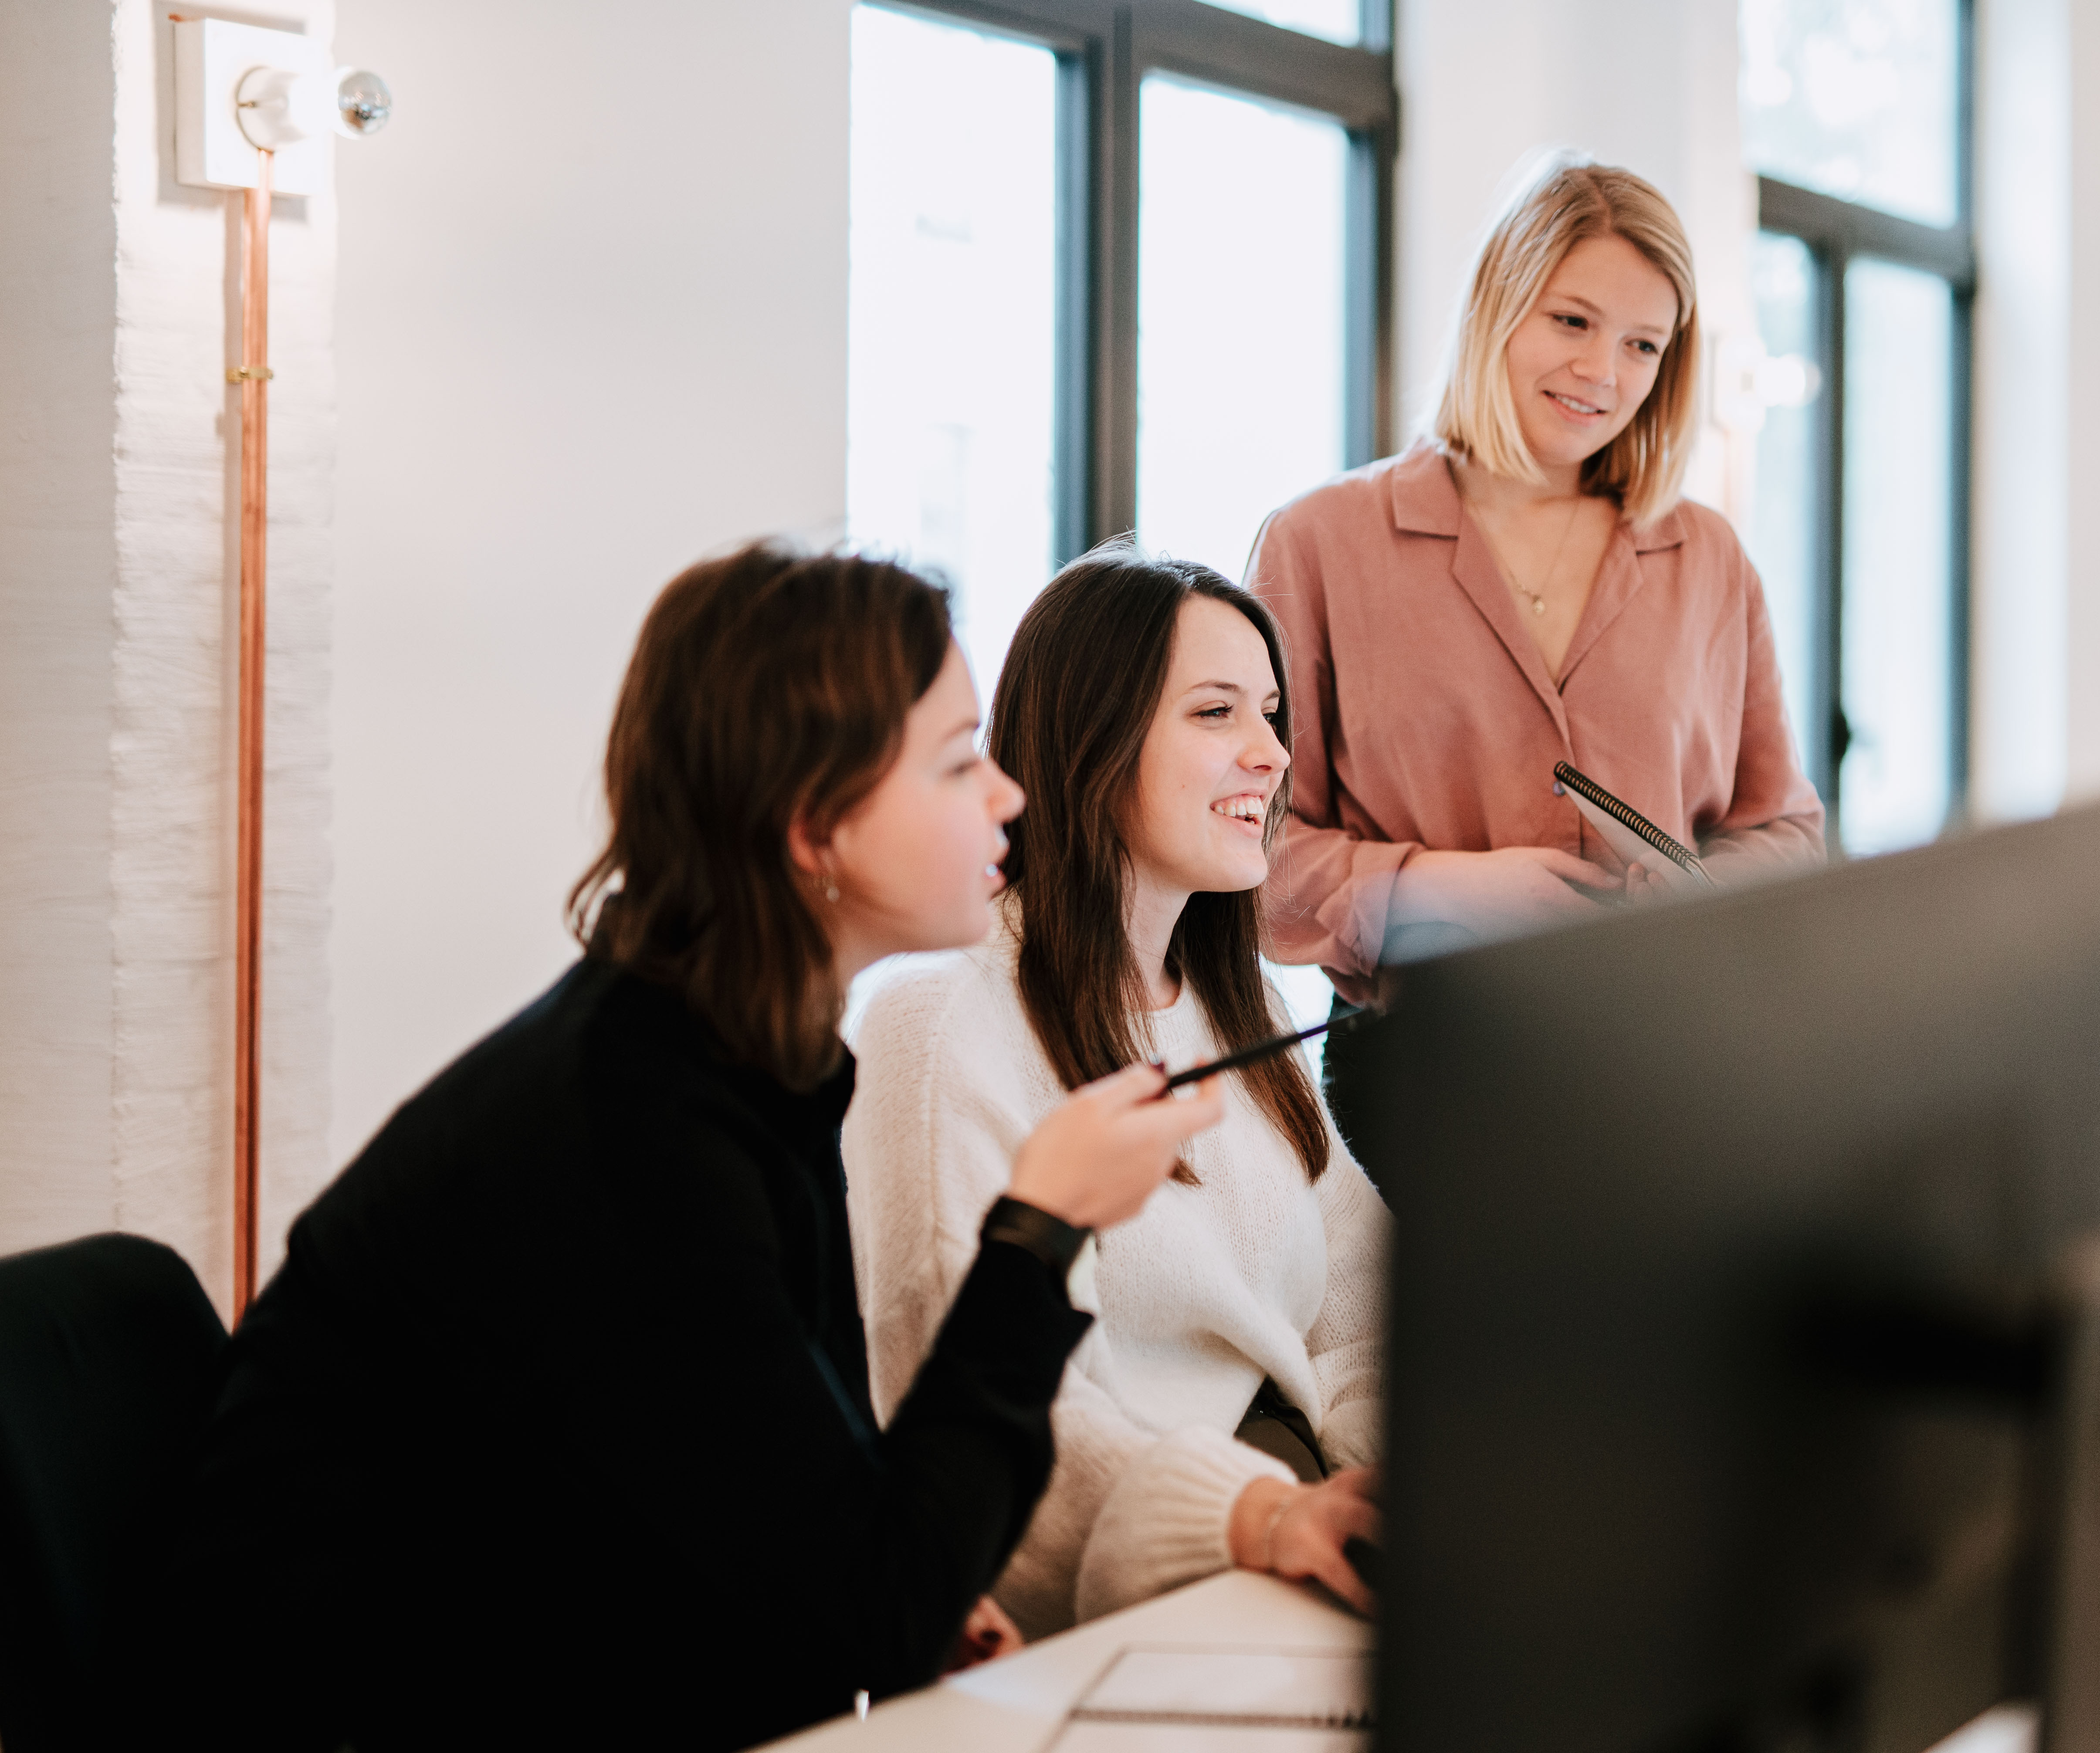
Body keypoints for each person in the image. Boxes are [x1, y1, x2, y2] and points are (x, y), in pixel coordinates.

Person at [135, 545, 1226, 1753]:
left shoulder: (751, 1059)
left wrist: (898, 1581)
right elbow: (862, 1610)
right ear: (815, 825)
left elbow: (796, 1513)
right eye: (961, 761)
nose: (1008, 797)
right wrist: (1039, 1231)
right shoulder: (626, 1129)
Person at [846, 541, 1389, 1640]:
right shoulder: (937, 1018)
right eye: (1216, 713)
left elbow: (1363, 1301)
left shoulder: (1251, 1012)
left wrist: (1375, 1485)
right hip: (1140, 1595)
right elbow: (963, 1401)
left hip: (1292, 1539)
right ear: (1092, 738)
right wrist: (1263, 1513)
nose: (1271, 755)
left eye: (1272, 714)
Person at [1246, 154, 1826, 1178]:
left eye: (1643, 343)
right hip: (1422, 1080)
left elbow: (1783, 828)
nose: (1604, 372)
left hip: (1662, 1065)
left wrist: (1688, 893)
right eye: (1572, 321)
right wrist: (1437, 889)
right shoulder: (1319, 544)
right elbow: (1255, 858)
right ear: (1497, 306)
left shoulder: (1709, 558)